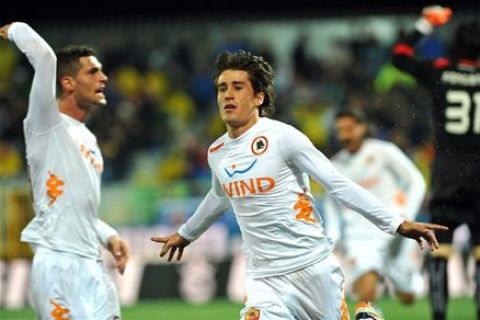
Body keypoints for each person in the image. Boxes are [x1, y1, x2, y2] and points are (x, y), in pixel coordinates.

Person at [151, 50, 447, 320]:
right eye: (222, 88)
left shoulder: (284, 138)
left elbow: (337, 183)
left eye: (238, 87)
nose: (227, 95)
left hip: (311, 267)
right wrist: (187, 233)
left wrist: (396, 223)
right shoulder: (217, 152)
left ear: (259, 97)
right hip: (263, 278)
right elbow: (218, 197)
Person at [0, 22, 129, 319]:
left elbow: (77, 208)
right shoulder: (46, 125)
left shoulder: (89, 139)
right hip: (58, 266)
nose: (104, 77)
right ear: (68, 83)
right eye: (93, 71)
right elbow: (45, 58)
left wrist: (109, 236)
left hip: (94, 266)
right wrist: (16, 28)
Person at [391, 6, 480, 320]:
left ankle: (439, 316)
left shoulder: (440, 71)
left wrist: (425, 23)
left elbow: (399, 56)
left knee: (439, 248)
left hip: (448, 175)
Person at [323, 110, 427, 314]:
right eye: (340, 131)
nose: (344, 135)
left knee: (408, 297)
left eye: (349, 129)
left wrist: (408, 215)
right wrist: (333, 237)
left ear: (362, 128)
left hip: (396, 233)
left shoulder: (383, 152)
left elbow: (416, 181)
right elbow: (331, 204)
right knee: (367, 293)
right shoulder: (335, 166)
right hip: (360, 237)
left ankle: (409, 281)